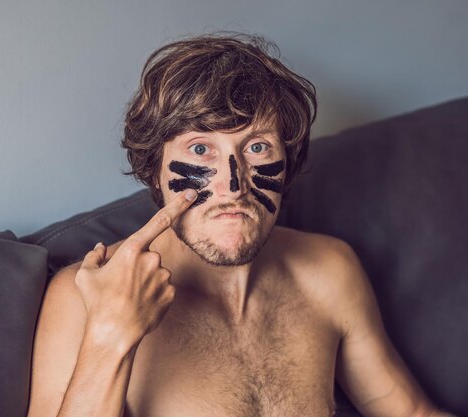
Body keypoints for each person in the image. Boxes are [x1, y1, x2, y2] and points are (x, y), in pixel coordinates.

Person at [26, 33, 455, 417]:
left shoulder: (329, 269)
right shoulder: (85, 294)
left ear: (286, 165)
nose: (233, 184)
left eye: (256, 146)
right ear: (153, 169)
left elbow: (412, 412)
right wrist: (110, 337)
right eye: (200, 148)